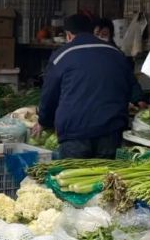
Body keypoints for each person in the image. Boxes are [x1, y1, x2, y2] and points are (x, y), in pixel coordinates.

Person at [36, 13, 134, 159]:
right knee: (105, 179)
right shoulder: (116, 53)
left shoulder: (62, 55)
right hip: (110, 131)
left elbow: (49, 94)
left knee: (72, 179)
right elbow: (130, 87)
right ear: (91, 30)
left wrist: (44, 121)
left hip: (75, 133)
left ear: (68, 35)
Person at [90, 17, 144, 105]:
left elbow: (130, 80)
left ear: (111, 36)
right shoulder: (86, 56)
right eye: (97, 34)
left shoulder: (118, 56)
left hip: (115, 103)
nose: (100, 37)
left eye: (104, 34)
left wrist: (139, 99)